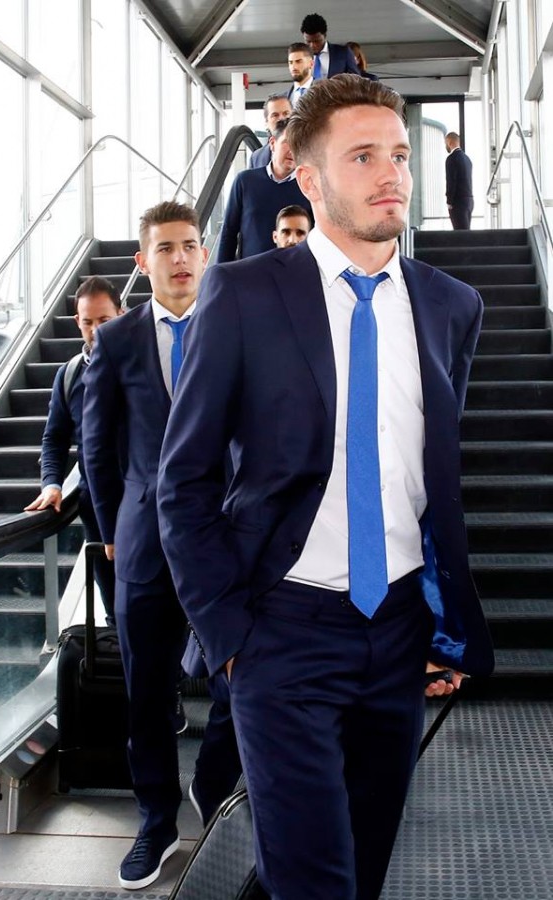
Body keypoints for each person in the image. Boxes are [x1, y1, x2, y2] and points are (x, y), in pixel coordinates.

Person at [157, 75, 494, 900]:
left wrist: (441, 618)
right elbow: (185, 479)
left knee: (361, 868)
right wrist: (230, 634)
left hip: (400, 630)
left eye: (400, 155)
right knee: (316, 881)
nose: (393, 174)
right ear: (308, 178)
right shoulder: (243, 294)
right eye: (364, 156)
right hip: (282, 632)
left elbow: (428, 481)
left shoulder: (453, 305)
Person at [82, 201, 207, 891]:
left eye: (190, 245)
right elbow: (97, 447)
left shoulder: (236, 323)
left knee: (248, 683)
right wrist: (110, 531)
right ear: (143, 260)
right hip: (144, 545)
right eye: (166, 248)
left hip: (226, 542)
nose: (180, 258)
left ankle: (213, 784)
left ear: (205, 253)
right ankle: (156, 821)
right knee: (148, 696)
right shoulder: (118, 340)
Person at [24, 276, 122, 625]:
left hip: (147, 504)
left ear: (121, 314)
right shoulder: (69, 376)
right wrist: (52, 483)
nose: (96, 331)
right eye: (87, 322)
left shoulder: (141, 366)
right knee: (115, 608)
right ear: (77, 322)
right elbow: (54, 438)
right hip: (96, 509)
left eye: (104, 320)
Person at [216, 119, 312, 263]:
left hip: (293, 271)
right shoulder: (245, 181)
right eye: (287, 142)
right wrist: (220, 272)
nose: (292, 150)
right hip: (250, 271)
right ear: (272, 143)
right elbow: (228, 232)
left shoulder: (308, 186)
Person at [300, 12, 360, 78]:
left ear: (325, 35)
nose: (312, 45)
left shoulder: (343, 53)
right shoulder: (299, 57)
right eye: (308, 41)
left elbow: (356, 80)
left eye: (317, 41)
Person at [249, 94, 292, 169]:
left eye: (286, 113)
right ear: (266, 122)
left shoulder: (308, 152)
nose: (281, 118)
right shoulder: (256, 158)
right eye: (275, 115)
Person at [445, 131, 474, 229]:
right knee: (466, 231)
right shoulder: (467, 159)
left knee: (459, 233)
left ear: (449, 142)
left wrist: (449, 201)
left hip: (458, 202)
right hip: (469, 201)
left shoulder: (451, 159)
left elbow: (451, 181)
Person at [286, 42, 314, 106]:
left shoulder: (323, 92)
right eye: (291, 62)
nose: (294, 67)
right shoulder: (284, 98)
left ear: (311, 64)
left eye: (298, 62)